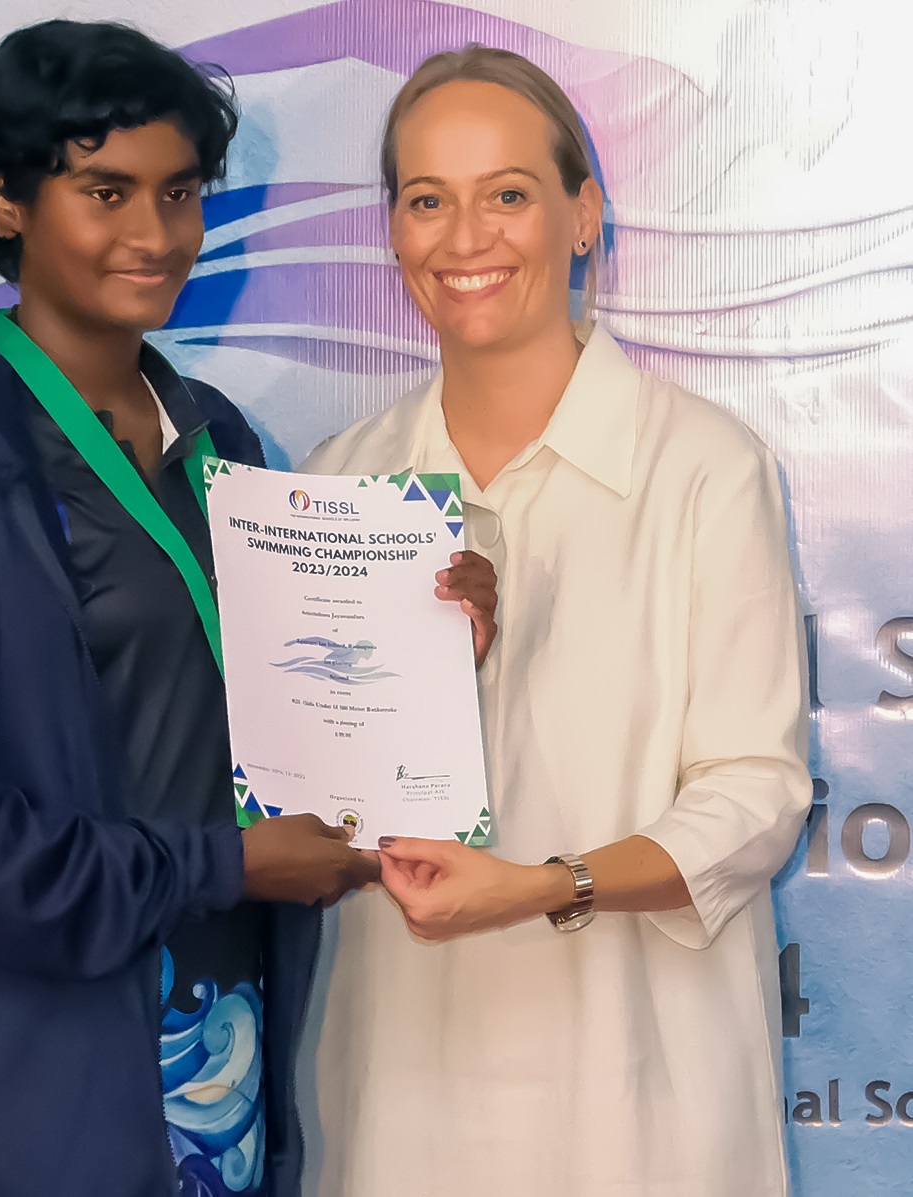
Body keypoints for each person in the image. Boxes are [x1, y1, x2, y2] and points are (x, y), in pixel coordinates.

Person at [0, 21, 497, 1197]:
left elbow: (274, 711)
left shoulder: (217, 437)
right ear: (5, 200)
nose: (155, 234)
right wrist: (216, 868)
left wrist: (427, 630)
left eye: (178, 192)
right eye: (104, 190)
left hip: (206, 1057)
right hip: (9, 1099)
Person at [299, 46, 811, 1197]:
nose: (465, 237)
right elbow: (313, 805)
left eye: (508, 195)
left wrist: (543, 886)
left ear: (583, 215)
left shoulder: (703, 470)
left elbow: (755, 794)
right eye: (427, 199)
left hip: (639, 1097)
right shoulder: (342, 482)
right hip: (405, 1087)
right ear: (392, 235)